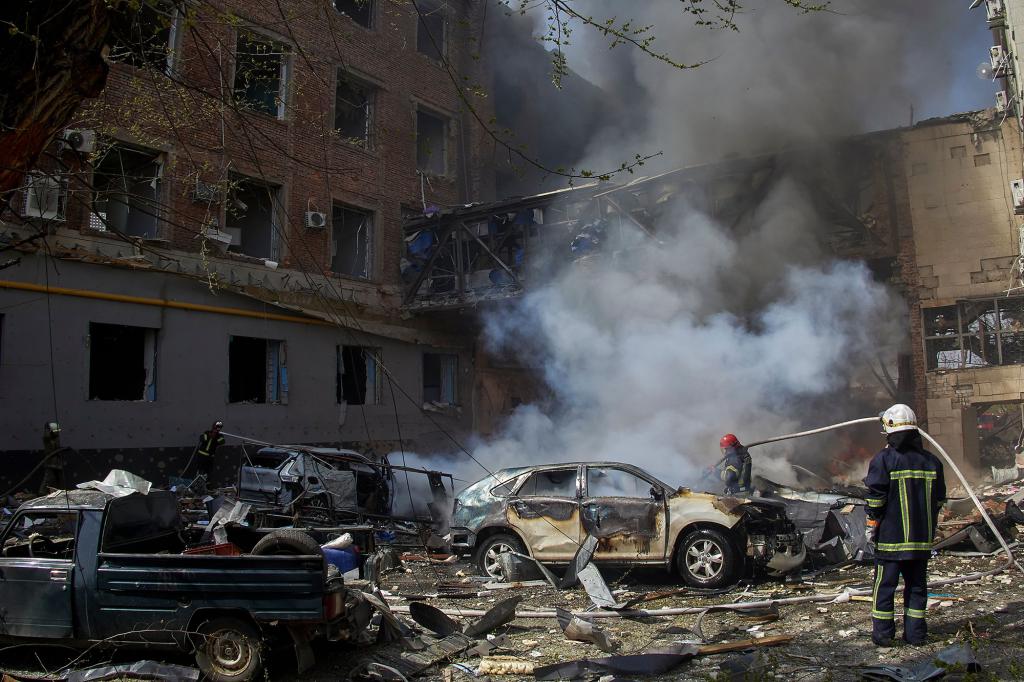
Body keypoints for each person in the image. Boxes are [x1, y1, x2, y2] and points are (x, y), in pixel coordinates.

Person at [864, 404, 946, 647]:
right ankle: (916, 635)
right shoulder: (932, 462)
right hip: (921, 541)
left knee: (885, 588)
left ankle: (883, 636)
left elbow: (875, 498)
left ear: (890, 431)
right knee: (918, 588)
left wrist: (871, 523)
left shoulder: (884, 459)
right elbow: (940, 499)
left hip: (891, 540)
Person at [38, 422, 67, 494]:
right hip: (51, 462)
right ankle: (42, 492)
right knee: (49, 478)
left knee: (60, 479)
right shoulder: (47, 439)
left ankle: (62, 492)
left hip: (57, 462)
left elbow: (57, 448)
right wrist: (47, 428)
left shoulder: (56, 439)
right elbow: (46, 436)